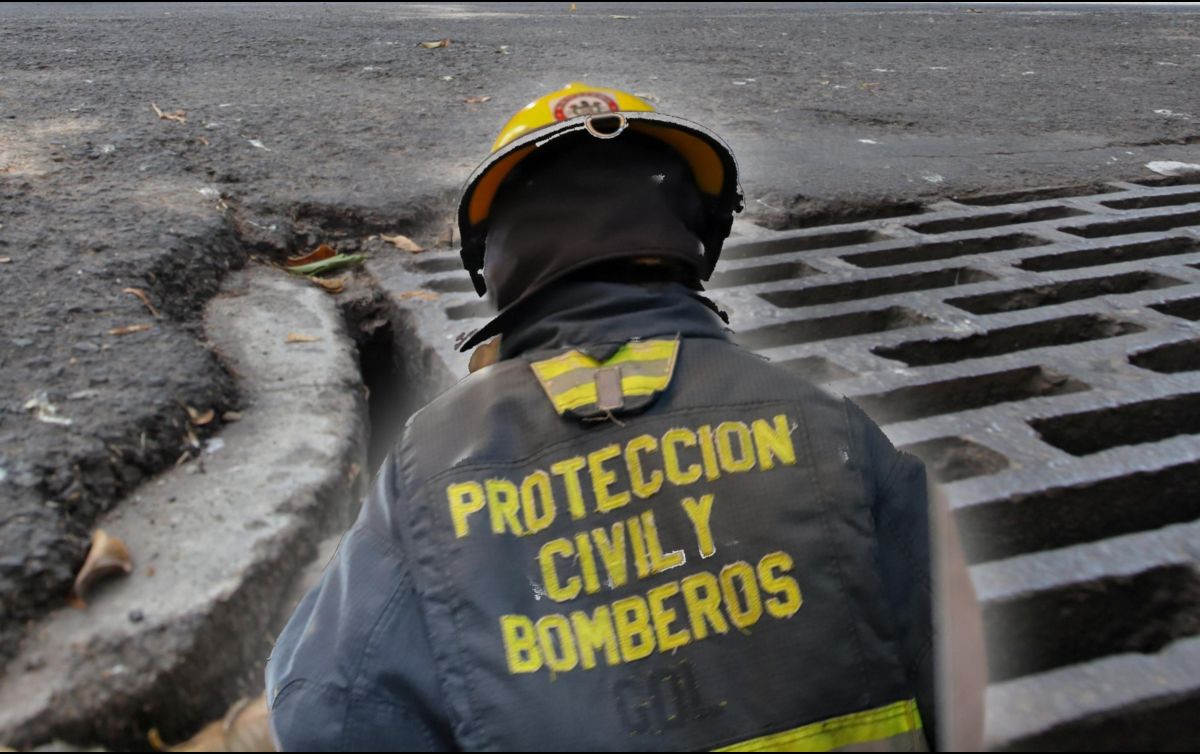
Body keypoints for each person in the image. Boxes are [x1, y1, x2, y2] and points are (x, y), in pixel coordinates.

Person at [265, 83, 985, 752]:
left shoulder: (431, 465)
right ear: (695, 235)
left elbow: (325, 711)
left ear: (497, 261)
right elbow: (950, 666)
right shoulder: (824, 424)